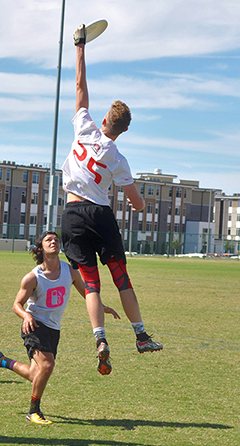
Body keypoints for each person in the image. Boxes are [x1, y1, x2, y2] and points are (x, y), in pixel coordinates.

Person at [60, 24, 163, 376]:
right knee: (121, 278)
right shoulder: (118, 158)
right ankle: (140, 336)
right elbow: (137, 202)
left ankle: (100, 338)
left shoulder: (84, 126)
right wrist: (137, 203)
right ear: (123, 131)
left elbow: (79, 86)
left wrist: (80, 47)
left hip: (72, 214)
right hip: (100, 215)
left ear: (103, 119)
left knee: (91, 283)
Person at [0, 230, 119, 424]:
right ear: (40, 248)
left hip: (54, 329)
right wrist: (26, 315)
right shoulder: (32, 277)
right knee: (47, 365)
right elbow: (16, 305)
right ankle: (33, 411)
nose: (54, 242)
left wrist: (101, 307)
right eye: (48, 240)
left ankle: (0, 360)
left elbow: (86, 292)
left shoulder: (70, 271)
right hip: (34, 325)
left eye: (56, 239)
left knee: (35, 374)